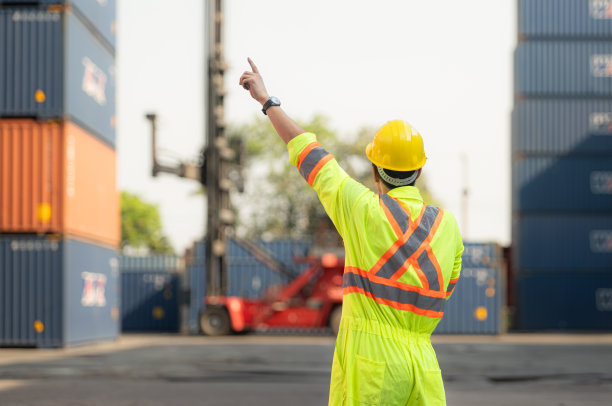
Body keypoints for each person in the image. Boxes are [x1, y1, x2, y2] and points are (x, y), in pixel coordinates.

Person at [240, 58, 463, 406]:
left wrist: (267, 102)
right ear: (419, 169)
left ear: (375, 170)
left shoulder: (361, 209)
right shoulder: (447, 225)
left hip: (373, 366)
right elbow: (444, 287)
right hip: (423, 365)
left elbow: (309, 154)